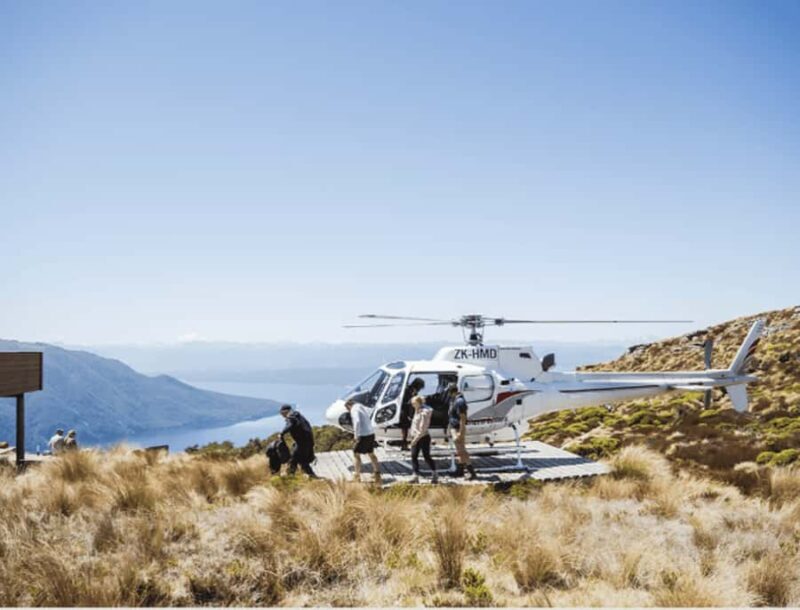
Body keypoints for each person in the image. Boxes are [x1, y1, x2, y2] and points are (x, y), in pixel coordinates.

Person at [345, 399, 382, 484]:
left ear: (349, 406)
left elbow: (357, 421)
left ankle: (357, 476)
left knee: (356, 454)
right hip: (371, 433)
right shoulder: (361, 407)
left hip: (363, 435)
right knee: (371, 453)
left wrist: (356, 435)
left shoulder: (354, 409)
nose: (348, 411)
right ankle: (377, 474)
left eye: (348, 409)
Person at [447, 383, 476, 479]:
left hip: (457, 428)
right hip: (454, 427)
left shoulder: (459, 401)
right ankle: (460, 470)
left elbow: (463, 418)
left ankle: (471, 471)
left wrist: (461, 431)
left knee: (461, 450)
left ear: (452, 392)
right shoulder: (455, 400)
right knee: (459, 450)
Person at [279, 404, 317, 478]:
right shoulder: (298, 416)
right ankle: (293, 475)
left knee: (296, 459)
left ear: (286, 412)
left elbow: (289, 425)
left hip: (302, 442)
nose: (282, 415)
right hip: (308, 441)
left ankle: (291, 476)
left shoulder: (292, 418)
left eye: (282, 413)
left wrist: (282, 433)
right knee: (299, 460)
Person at [408, 395, 437, 484]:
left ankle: (434, 473)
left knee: (426, 456)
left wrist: (415, 440)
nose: (412, 405)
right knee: (414, 456)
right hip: (416, 436)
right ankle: (415, 475)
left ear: (418, 403)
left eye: (414, 403)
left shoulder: (424, 413)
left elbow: (422, 430)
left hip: (423, 437)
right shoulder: (417, 410)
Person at [400, 378, 425, 451]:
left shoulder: (412, 391)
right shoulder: (408, 391)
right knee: (405, 428)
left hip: (409, 411)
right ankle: (405, 444)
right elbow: (407, 402)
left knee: (408, 428)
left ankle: (409, 443)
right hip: (405, 411)